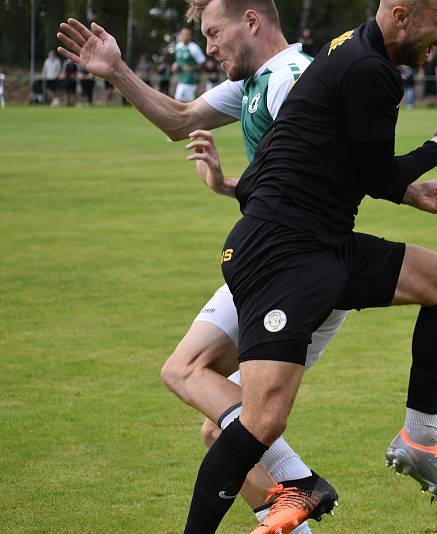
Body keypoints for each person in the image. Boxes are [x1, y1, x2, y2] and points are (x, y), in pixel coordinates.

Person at [181, 0, 437, 532]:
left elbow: (325, 159)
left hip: (324, 244)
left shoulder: (353, 47)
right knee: (258, 422)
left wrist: (237, 186)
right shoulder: (371, 69)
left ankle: (418, 436)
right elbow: (379, 177)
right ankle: (281, 495)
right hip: (282, 256)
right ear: (399, 15)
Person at [56, 4, 342, 533]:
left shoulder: (290, 82)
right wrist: (117, 70)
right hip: (267, 264)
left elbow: (326, 180)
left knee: (197, 385)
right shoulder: (255, 82)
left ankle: (298, 480)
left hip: (296, 270)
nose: (208, 46)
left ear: (250, 21)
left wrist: (408, 181)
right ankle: (296, 504)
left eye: (213, 32)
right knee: (221, 430)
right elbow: (178, 119)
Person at [173, 27, 207, 102]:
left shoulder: (194, 48)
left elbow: (203, 63)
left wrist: (192, 68)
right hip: (181, 77)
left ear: (190, 36)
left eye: (186, 34)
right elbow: (178, 60)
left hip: (191, 79)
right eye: (182, 34)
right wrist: (175, 64)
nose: (184, 36)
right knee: (179, 100)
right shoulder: (178, 46)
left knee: (184, 101)